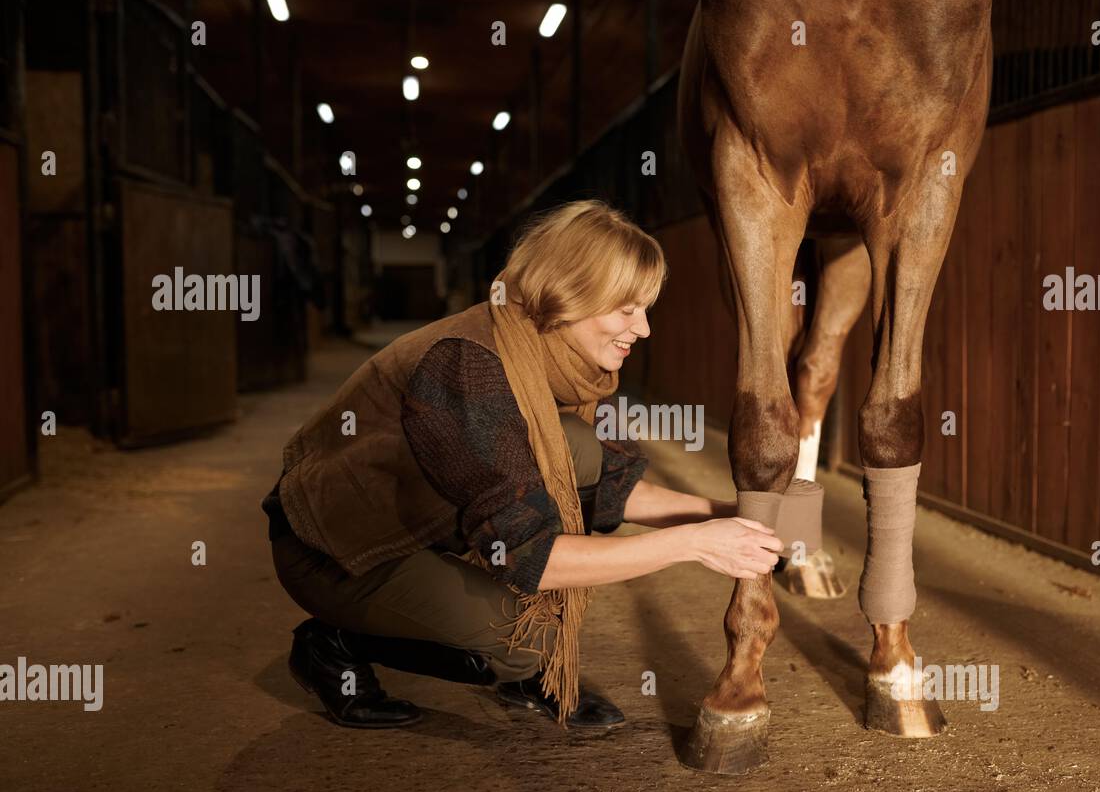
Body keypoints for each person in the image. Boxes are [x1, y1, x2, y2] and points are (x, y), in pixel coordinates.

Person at [260, 199, 781, 730]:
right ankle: (333, 643)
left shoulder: (550, 355)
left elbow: (612, 487)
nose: (643, 329)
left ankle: (461, 628)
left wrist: (723, 513)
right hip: (337, 551)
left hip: (416, 523)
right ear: (571, 293)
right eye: (626, 309)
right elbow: (531, 557)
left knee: (575, 446)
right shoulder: (469, 367)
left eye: (646, 309)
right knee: (530, 642)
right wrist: (694, 545)